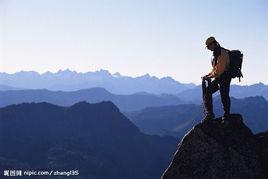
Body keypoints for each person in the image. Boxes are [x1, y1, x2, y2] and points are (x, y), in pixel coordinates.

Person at [202, 37, 232, 122]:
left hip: (225, 77)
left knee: (224, 95)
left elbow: (220, 70)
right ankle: (209, 114)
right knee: (208, 92)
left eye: (208, 46)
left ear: (213, 44)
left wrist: (209, 77)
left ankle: (226, 115)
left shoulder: (222, 53)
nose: (208, 48)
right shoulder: (216, 53)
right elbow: (215, 69)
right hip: (220, 77)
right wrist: (208, 75)